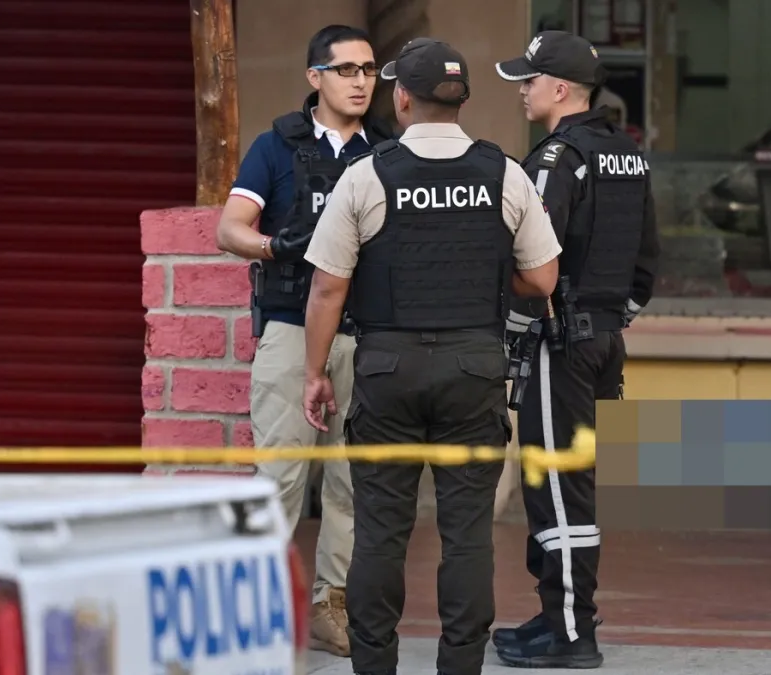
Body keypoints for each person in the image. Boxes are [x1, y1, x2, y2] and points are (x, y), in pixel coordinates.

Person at [300, 37, 562, 675]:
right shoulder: (505, 173)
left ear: (402, 98)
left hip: (386, 368)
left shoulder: (366, 174)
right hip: (474, 367)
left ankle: (374, 665)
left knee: (379, 534)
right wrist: (485, 277)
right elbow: (543, 278)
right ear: (462, 100)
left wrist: (314, 372)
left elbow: (328, 287)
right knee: (467, 536)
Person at [213, 24, 396, 657]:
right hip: (293, 329)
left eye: (369, 70)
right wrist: (275, 245)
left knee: (353, 480)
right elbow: (230, 229)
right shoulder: (277, 146)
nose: (361, 81)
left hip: (366, 336)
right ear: (315, 77)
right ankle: (256, 609)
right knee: (280, 475)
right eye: (346, 70)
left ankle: (330, 604)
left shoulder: (387, 152)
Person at [492, 30, 660, 669]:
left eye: (530, 80)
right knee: (564, 482)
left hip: (557, 342)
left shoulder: (556, 160)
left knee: (558, 489)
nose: (523, 91)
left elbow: (535, 264)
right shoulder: (627, 154)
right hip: (600, 340)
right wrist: (611, 321)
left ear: (560, 89)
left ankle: (571, 633)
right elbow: (646, 263)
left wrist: (512, 335)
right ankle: (555, 617)